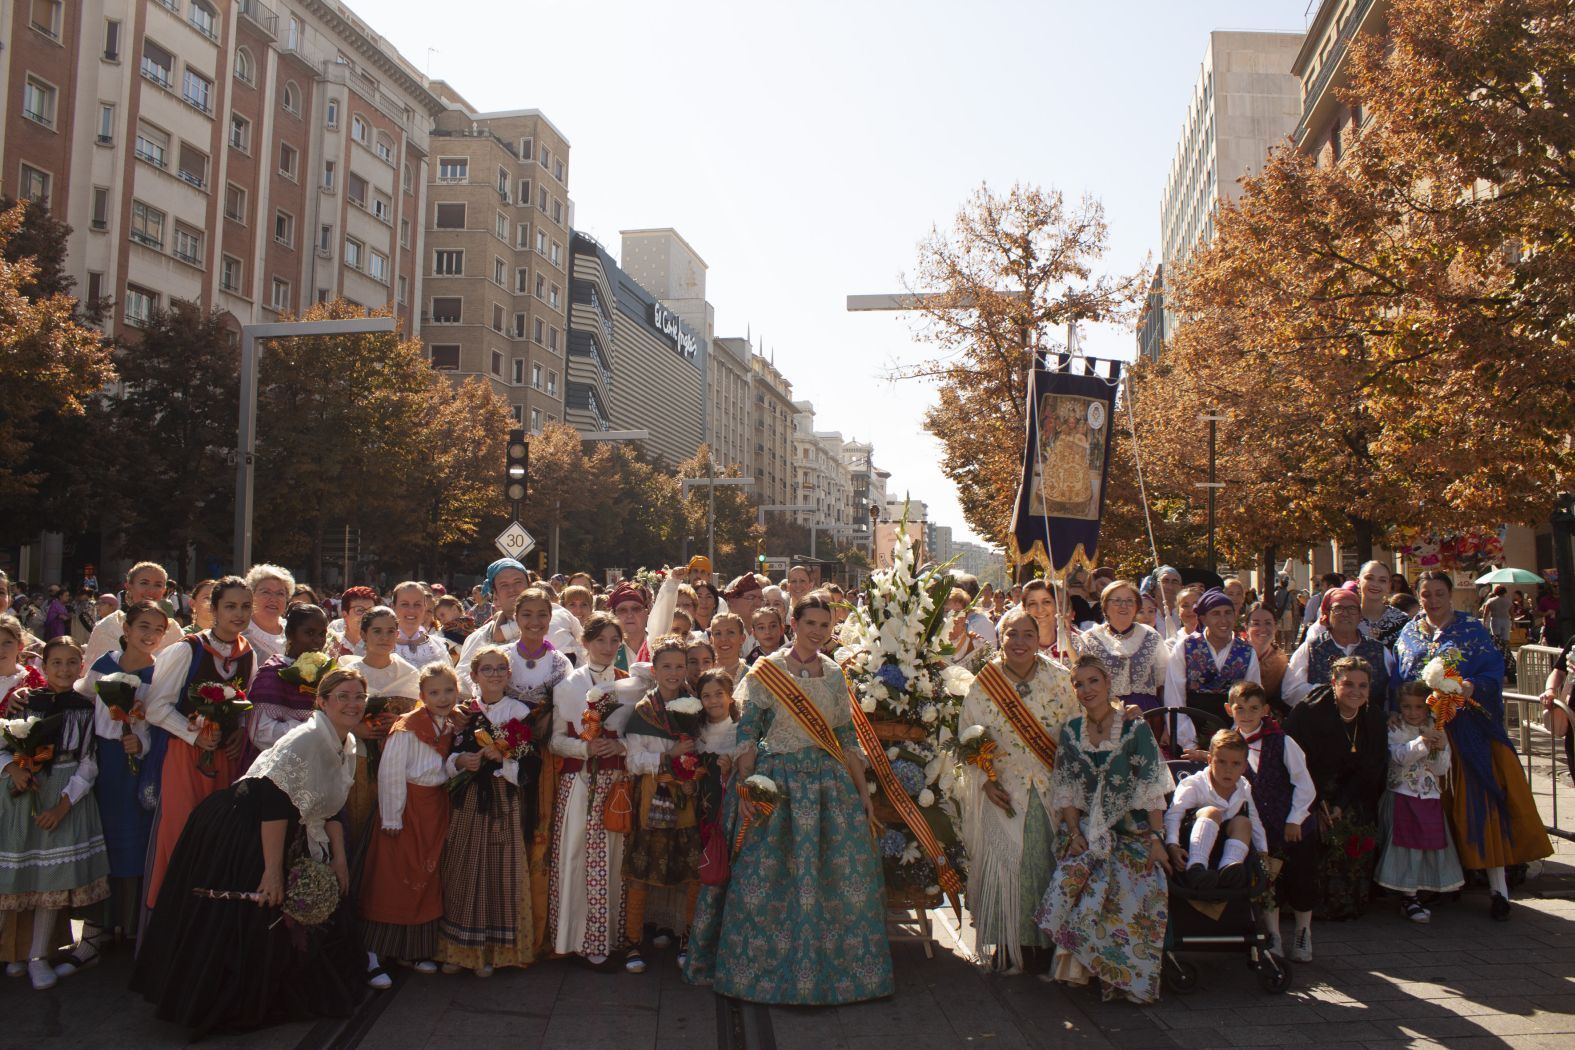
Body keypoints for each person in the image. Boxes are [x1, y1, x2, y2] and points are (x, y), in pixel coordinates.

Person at [131, 668, 367, 1036]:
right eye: (344, 697)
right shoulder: (305, 740)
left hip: (283, 826)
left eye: (359, 697)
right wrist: (272, 871)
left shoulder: (345, 743)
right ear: (322, 702)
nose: (353, 704)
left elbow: (330, 805)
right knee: (253, 909)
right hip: (245, 827)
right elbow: (271, 801)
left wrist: (339, 859)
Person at [684, 595, 892, 1003]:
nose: (817, 631)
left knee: (835, 880)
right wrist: (746, 787)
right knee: (762, 882)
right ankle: (760, 971)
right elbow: (748, 732)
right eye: (810, 623)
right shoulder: (767, 671)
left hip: (828, 787)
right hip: (775, 785)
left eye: (824, 625)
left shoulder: (834, 674)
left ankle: (833, 975)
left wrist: (863, 792)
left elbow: (846, 736)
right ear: (792, 624)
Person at [1395, 571, 1553, 920]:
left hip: (1469, 731)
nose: (1433, 601)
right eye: (1426, 594)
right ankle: (1434, 883)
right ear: (1418, 597)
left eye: (1439, 593)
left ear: (1450, 595)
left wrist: (1470, 686)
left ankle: (1499, 888)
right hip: (1426, 734)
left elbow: (1493, 671)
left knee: (1481, 803)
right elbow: (1400, 680)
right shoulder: (1408, 634)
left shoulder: (1471, 631)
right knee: (1431, 808)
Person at [1034, 656, 1171, 1003]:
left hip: (1131, 830)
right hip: (1088, 831)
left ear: (1108, 683)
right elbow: (1066, 789)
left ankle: (1121, 975)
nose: (1086, 689)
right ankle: (1079, 969)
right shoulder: (1070, 730)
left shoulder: (1134, 728)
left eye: (1093, 681)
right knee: (1073, 876)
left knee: (1128, 882)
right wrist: (1074, 832)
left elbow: (1151, 787)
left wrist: (1156, 839)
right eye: (1078, 684)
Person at [958, 607, 1079, 974]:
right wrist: (986, 781)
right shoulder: (984, 683)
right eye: (1012, 634)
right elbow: (966, 737)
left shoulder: (1060, 680)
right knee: (1003, 864)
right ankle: (1006, 941)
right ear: (1001, 637)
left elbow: (1075, 737)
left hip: (1049, 788)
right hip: (1002, 790)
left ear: (1039, 636)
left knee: (1044, 863)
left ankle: (1045, 944)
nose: (1020, 642)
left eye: (1028, 633)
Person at [0, 637, 110, 990]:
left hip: (62, 796)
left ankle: (37, 956)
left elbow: (89, 763)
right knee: (12, 881)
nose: (63, 669)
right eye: (56, 663)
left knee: (51, 883)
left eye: (71, 662)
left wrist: (64, 804)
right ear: (43, 667)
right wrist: (13, 769)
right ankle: (9, 952)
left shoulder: (85, 707)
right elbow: (3, 746)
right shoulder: (25, 702)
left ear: (81, 667)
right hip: (23, 795)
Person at [143, 576, 259, 907]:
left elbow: (244, 704)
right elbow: (155, 707)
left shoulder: (247, 653)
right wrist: (195, 734)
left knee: (220, 836)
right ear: (214, 609)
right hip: (186, 757)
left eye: (245, 606)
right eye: (230, 606)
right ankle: (173, 919)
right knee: (182, 833)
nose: (239, 614)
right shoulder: (187, 649)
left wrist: (239, 730)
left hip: (224, 758)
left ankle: (208, 923)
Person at [71, 600, 166, 962]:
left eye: (158, 629)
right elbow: (81, 706)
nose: (150, 635)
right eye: (143, 626)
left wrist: (140, 743)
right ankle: (94, 932)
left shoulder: (158, 675)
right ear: (126, 629)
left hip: (137, 771)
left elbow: (157, 724)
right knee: (101, 840)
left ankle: (130, 927)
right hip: (102, 764)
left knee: (134, 843)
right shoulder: (103, 665)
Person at [547, 613, 643, 968]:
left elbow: (638, 738)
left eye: (613, 641)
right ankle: (572, 938)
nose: (607, 648)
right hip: (581, 780)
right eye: (600, 640)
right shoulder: (567, 685)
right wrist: (586, 749)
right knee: (575, 857)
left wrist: (621, 748)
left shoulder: (630, 683)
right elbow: (556, 740)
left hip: (616, 783)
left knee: (614, 859)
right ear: (585, 643)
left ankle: (608, 936)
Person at [359, 662, 461, 987]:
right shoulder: (407, 727)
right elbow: (390, 772)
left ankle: (413, 949)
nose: (442, 697)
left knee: (426, 874)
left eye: (448, 690)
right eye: (434, 692)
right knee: (393, 875)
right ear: (421, 696)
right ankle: (374, 951)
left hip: (436, 807)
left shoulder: (451, 726)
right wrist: (391, 815)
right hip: (407, 810)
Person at [437, 645, 535, 975]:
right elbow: (448, 755)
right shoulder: (463, 713)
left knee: (500, 873)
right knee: (462, 870)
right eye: (487, 669)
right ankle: (459, 951)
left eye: (500, 669)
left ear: (509, 675)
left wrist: (503, 760)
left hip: (502, 801)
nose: (494, 675)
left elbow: (529, 766)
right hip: (468, 801)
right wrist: (458, 762)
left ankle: (494, 951)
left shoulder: (520, 712)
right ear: (475, 676)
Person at [1285, 656, 1388, 931]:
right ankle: (1310, 903)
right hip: (1308, 785)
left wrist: (1342, 804)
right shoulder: (1308, 714)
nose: (1356, 692)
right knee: (1314, 829)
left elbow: (1371, 768)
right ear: (1334, 683)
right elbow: (1296, 763)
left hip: (1352, 789)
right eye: (1348, 684)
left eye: (1363, 686)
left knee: (1355, 824)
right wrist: (1317, 803)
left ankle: (1348, 902)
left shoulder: (1374, 717)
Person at [621, 636, 704, 974]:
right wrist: (666, 756)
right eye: (666, 666)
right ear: (654, 670)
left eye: (679, 666)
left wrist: (694, 770)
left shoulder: (696, 708)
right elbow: (632, 759)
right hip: (652, 797)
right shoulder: (642, 711)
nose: (673, 673)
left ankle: (688, 937)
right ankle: (632, 942)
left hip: (686, 797)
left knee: (690, 869)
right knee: (642, 870)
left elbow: (706, 750)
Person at [1225, 682, 1317, 961]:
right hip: (1261, 828)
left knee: (1301, 880)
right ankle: (1273, 934)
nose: (1247, 714)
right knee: (1267, 881)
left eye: (1254, 708)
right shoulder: (1229, 744)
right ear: (1230, 710)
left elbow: (1304, 784)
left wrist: (1295, 819)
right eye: (1240, 708)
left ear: (1265, 710)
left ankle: (1303, 932)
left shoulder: (1282, 741)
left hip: (1292, 826)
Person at [1375, 681, 1464, 923]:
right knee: (1405, 847)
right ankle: (1408, 895)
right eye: (1406, 707)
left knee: (1426, 844)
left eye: (1418, 707)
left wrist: (1440, 745)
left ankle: (1421, 889)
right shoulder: (1396, 728)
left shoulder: (1437, 728)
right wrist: (1422, 743)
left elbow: (1441, 767)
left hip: (1428, 796)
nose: (1413, 713)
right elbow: (1399, 757)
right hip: (1403, 794)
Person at [1164, 729, 1266, 889]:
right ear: (1210, 760)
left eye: (1236, 764)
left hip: (1221, 844)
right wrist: (1172, 845)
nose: (1228, 770)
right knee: (1212, 811)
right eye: (1222, 762)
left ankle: (1229, 869)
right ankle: (1196, 869)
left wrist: (1262, 853)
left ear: (1244, 766)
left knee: (1244, 822)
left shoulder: (1243, 786)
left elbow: (1255, 819)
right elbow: (1174, 815)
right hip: (1189, 844)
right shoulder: (1194, 784)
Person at [1282, 588, 1394, 709]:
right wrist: (1332, 692)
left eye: (1352, 609)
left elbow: (1392, 691)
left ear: (1360, 615)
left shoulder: (1378, 650)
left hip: (1368, 723)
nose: (1345, 614)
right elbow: (1290, 691)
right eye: (1338, 609)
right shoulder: (1312, 648)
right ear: (1327, 614)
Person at [1164, 588, 1260, 729]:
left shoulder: (1247, 652)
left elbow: (1252, 699)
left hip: (1234, 733)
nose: (1223, 620)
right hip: (1191, 729)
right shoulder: (1185, 647)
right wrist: (1189, 742)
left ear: (1235, 615)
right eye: (1216, 614)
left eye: (1228, 613)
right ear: (1203, 618)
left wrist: (1234, 738)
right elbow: (1174, 697)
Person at [246, 604, 330, 754]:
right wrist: (313, 729)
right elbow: (260, 731)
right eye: (309, 632)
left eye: (322, 634)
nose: (318, 640)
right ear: (290, 633)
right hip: (276, 762)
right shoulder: (272, 672)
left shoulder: (327, 672)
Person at [1072, 579, 1166, 712]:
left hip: (1147, 713)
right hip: (1104, 713)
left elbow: (1164, 683)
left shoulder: (1151, 636)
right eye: (1117, 600)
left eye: (1129, 601)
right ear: (1105, 606)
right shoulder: (1089, 638)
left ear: (1136, 607)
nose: (1124, 605)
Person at [82, 562, 184, 666]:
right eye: (144, 583)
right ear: (129, 586)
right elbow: (92, 673)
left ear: (164, 591)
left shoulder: (173, 630)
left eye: (158, 585)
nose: (151, 590)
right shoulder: (108, 626)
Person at [389, 581, 451, 671]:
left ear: (424, 607)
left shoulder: (437, 646)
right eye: (404, 604)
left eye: (417, 604)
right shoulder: (378, 644)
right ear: (393, 607)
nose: (411, 610)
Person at [243, 564, 295, 663]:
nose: (273, 599)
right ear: (251, 595)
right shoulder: (240, 630)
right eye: (266, 592)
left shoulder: (293, 631)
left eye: (280, 593)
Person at [1244, 602, 1289, 710]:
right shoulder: (1235, 654)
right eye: (1256, 623)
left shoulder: (1281, 660)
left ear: (1275, 626)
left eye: (1268, 623)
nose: (1262, 628)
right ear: (1246, 627)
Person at [327, 586, 378, 658]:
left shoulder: (380, 646)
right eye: (360, 610)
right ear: (345, 614)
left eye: (371, 611)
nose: (366, 615)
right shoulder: (331, 644)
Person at [710, 612, 749, 684]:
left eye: (731, 632)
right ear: (711, 640)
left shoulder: (752, 676)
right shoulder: (702, 673)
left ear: (742, 638)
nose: (724, 639)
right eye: (718, 633)